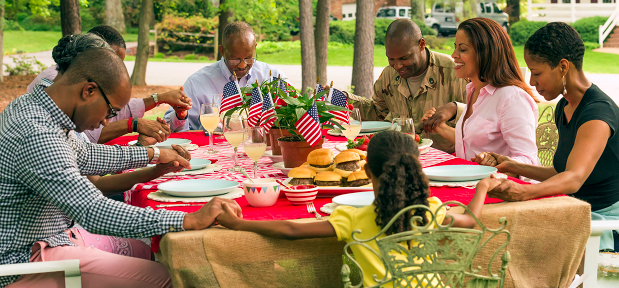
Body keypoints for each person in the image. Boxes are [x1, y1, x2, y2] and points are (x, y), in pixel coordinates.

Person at [0, 48, 242, 287]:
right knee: (172, 276)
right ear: (89, 91)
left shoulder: (38, 108)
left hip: (50, 237)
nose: (106, 121)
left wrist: (153, 154)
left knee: (150, 250)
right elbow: (93, 211)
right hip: (25, 258)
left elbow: (86, 154)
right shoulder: (37, 134)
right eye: (110, 110)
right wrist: (188, 220)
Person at [215, 130, 499, 287]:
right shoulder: (429, 210)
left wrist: (239, 224)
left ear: (367, 171)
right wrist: (482, 188)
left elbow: (291, 230)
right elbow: (470, 220)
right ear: (416, 170)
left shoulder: (354, 218)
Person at [484, 22, 619, 251]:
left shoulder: (597, 112)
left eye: (536, 73)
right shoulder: (564, 106)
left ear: (563, 66)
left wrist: (524, 192)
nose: (531, 82)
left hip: (603, 226)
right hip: (574, 210)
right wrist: (512, 165)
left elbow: (574, 179)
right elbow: (562, 172)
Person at [27, 25, 193, 144]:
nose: (106, 120)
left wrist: (146, 151)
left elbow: (89, 158)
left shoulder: (65, 87)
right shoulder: (44, 124)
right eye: (111, 61)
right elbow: (91, 141)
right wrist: (134, 125)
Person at [331, 19, 468, 153]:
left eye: (404, 58)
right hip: (399, 156)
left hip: (446, 160)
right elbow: (377, 112)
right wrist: (342, 99)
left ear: (421, 44)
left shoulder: (453, 71)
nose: (397, 66)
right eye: (391, 59)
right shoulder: (389, 75)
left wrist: (454, 108)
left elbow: (478, 116)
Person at [420, 18, 540, 167]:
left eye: (462, 49)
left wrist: (497, 162)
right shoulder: (474, 91)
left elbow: (528, 160)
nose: (453, 55)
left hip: (501, 186)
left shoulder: (512, 98)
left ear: (486, 53)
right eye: (455, 47)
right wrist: (439, 126)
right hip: (472, 182)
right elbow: (470, 144)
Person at [165, 22, 285, 132]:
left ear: (255, 48)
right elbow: (171, 129)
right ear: (222, 51)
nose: (242, 65)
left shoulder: (272, 77)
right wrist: (180, 117)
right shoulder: (197, 83)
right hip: (213, 152)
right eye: (235, 59)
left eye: (248, 58)